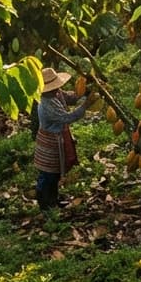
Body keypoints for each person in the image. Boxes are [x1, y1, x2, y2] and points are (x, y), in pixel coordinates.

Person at [34, 67, 87, 211]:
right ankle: (45, 205)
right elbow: (67, 117)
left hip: (57, 139)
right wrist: (86, 105)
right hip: (49, 142)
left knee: (55, 174)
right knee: (47, 175)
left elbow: (70, 98)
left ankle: (53, 200)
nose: (57, 89)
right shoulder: (46, 104)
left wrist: (85, 92)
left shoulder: (55, 93)